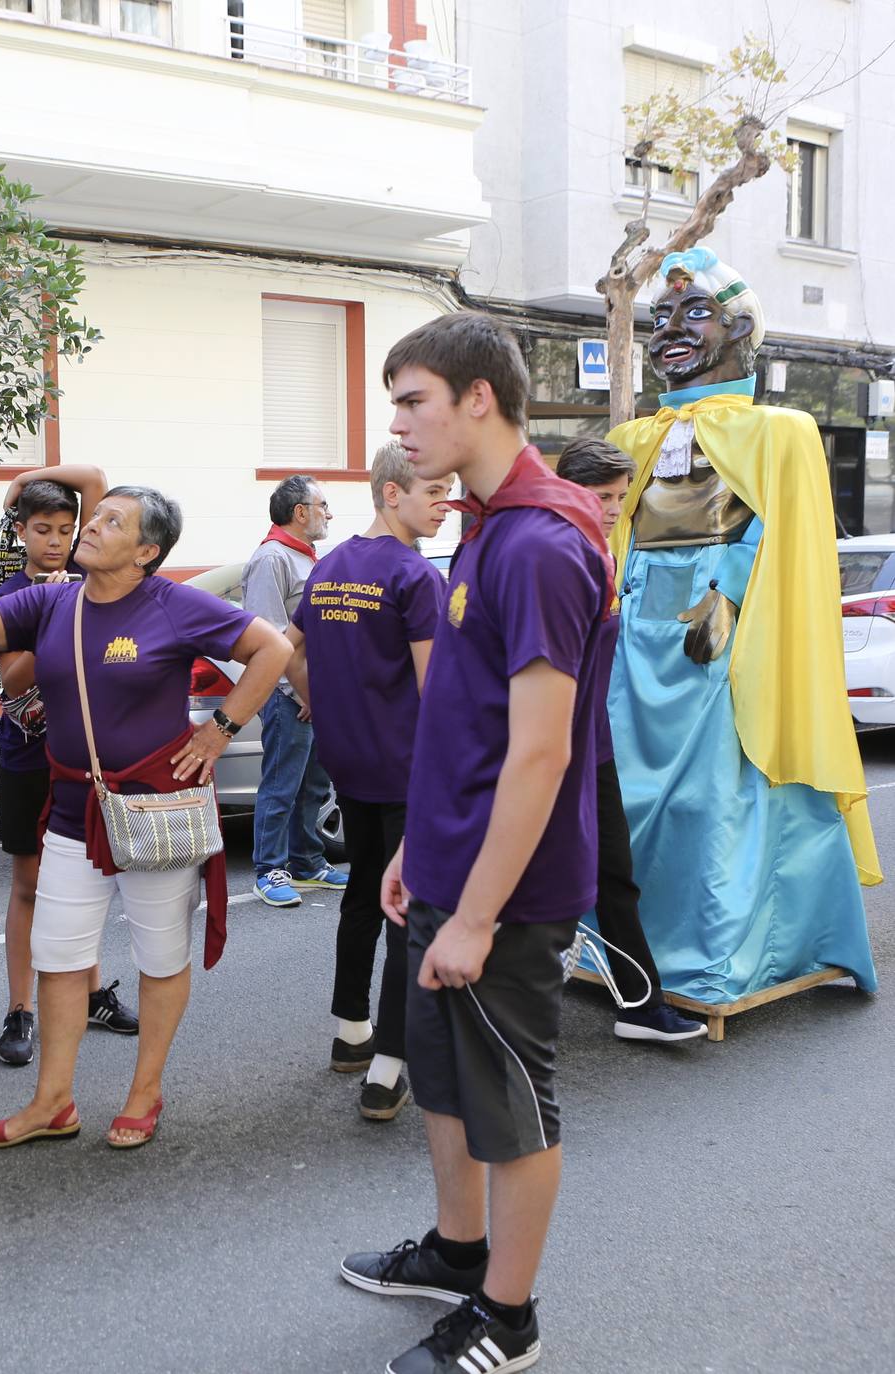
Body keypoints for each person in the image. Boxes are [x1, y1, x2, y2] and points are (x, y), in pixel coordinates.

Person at [0, 487, 291, 1148]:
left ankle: (144, 1093)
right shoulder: (53, 600)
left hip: (153, 810)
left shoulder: (172, 603)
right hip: (71, 812)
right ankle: (52, 1102)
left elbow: (270, 648)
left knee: (159, 956)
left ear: (146, 551)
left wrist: (219, 729)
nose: (90, 526)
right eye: (94, 517)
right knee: (59, 956)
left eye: (111, 521)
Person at [340, 314, 612, 1374]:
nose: (399, 426)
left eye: (411, 400)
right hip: (448, 870)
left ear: (477, 400)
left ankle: (509, 1317)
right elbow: (463, 721)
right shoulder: (488, 530)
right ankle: (458, 1256)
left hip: (506, 896)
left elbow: (539, 757)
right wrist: (419, 851)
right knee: (446, 1090)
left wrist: (482, 913)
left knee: (511, 1106)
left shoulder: (541, 542)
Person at [606, 248, 877, 1012]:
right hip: (637, 643)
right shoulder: (635, 439)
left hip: (724, 644)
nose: (670, 332)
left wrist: (727, 595)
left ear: (740, 330)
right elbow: (611, 538)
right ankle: (624, 946)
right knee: (619, 791)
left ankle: (715, 955)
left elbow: (788, 539)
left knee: (716, 800)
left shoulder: (779, 430)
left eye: (694, 314)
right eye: (660, 318)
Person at [286, 441, 449, 1118]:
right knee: (406, 910)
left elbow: (284, 648)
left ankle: (350, 1031)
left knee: (361, 892)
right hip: (406, 770)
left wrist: (315, 701)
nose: (447, 504)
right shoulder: (415, 577)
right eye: (432, 492)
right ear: (390, 492)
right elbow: (434, 691)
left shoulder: (329, 567)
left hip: (348, 762)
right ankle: (387, 1069)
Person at [552, 436, 706, 1043]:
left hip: (593, 745)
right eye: (603, 495)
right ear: (569, 491)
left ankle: (641, 1006)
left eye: (622, 496)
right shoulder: (555, 557)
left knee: (616, 874)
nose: (616, 507)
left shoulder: (599, 552)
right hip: (548, 751)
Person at [0, 464, 138, 1066]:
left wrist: (26, 476)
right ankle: (20, 1009)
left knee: (86, 883)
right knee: (29, 886)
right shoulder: (10, 595)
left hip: (80, 761)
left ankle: (93, 993)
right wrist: (50, 611)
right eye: (43, 530)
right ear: (21, 533)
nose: (56, 541)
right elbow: (13, 678)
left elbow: (95, 476)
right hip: (26, 755)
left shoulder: (86, 574)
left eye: (65, 529)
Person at [244, 475, 349, 906]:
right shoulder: (272, 559)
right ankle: (269, 870)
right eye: (323, 505)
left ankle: (307, 862)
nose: (329, 513)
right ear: (300, 512)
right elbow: (268, 636)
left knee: (314, 786)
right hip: (291, 696)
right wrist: (299, 692)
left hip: (316, 695)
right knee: (281, 784)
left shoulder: (307, 557)